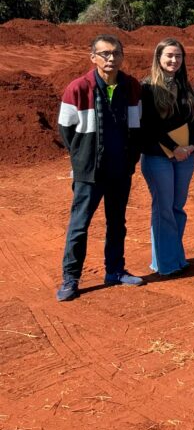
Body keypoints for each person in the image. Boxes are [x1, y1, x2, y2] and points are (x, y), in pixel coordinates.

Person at [56, 35, 144, 301]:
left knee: (117, 222)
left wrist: (130, 160)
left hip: (120, 170)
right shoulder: (78, 88)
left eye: (116, 53)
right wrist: (83, 157)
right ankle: (71, 278)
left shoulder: (131, 87)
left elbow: (136, 127)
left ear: (122, 57)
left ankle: (115, 270)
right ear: (92, 57)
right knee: (80, 225)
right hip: (89, 172)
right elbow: (66, 129)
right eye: (104, 54)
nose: (111, 59)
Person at [140, 38, 194, 276]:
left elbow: (193, 119)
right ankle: (165, 264)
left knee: (177, 207)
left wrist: (192, 145)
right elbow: (148, 125)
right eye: (169, 56)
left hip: (185, 156)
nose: (174, 60)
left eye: (178, 56)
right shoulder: (147, 87)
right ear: (158, 58)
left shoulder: (185, 85)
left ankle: (175, 256)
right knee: (163, 208)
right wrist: (174, 147)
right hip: (158, 156)